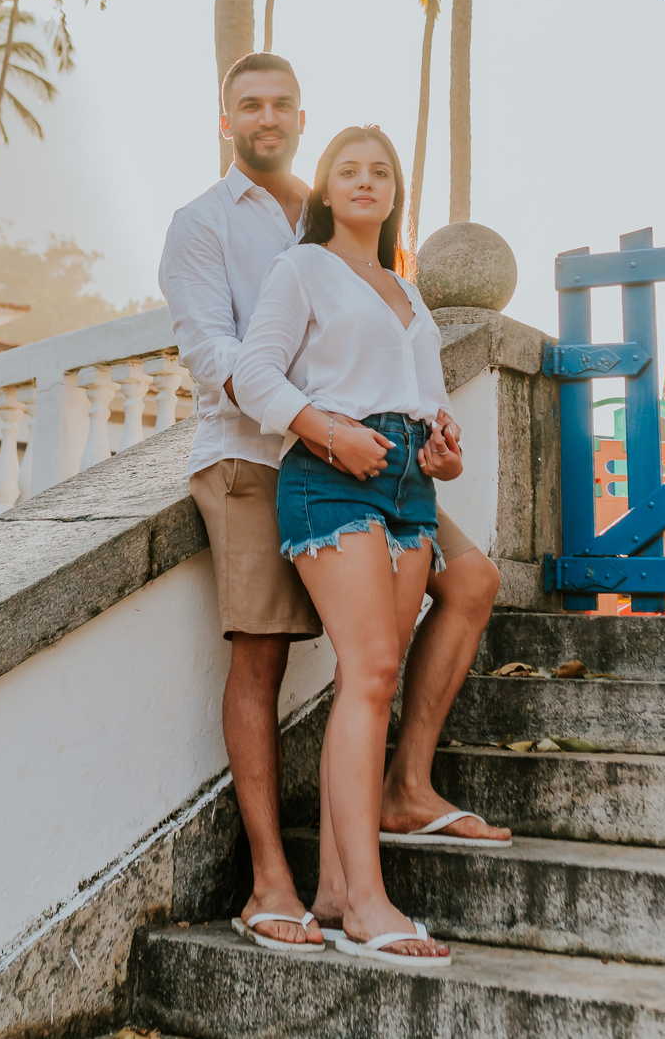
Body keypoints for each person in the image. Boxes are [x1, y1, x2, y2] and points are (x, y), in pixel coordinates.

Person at [158, 54, 508, 958]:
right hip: (258, 452)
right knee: (268, 652)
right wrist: (318, 428)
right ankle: (276, 881)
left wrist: (431, 446)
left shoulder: (378, 268)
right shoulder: (208, 226)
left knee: (464, 584)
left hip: (383, 468)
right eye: (249, 105)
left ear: (300, 120)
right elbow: (218, 353)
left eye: (281, 104)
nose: (265, 116)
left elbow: (412, 380)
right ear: (226, 119)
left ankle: (399, 799)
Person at [231, 124, 461, 962]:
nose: (366, 181)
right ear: (325, 190)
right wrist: (329, 434)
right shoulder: (302, 270)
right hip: (333, 476)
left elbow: (425, 398)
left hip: (409, 486)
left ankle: (333, 885)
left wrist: (445, 446)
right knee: (366, 673)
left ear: (397, 192)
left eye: (381, 171)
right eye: (348, 170)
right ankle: (367, 905)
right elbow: (255, 374)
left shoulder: (407, 291)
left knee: (373, 680)